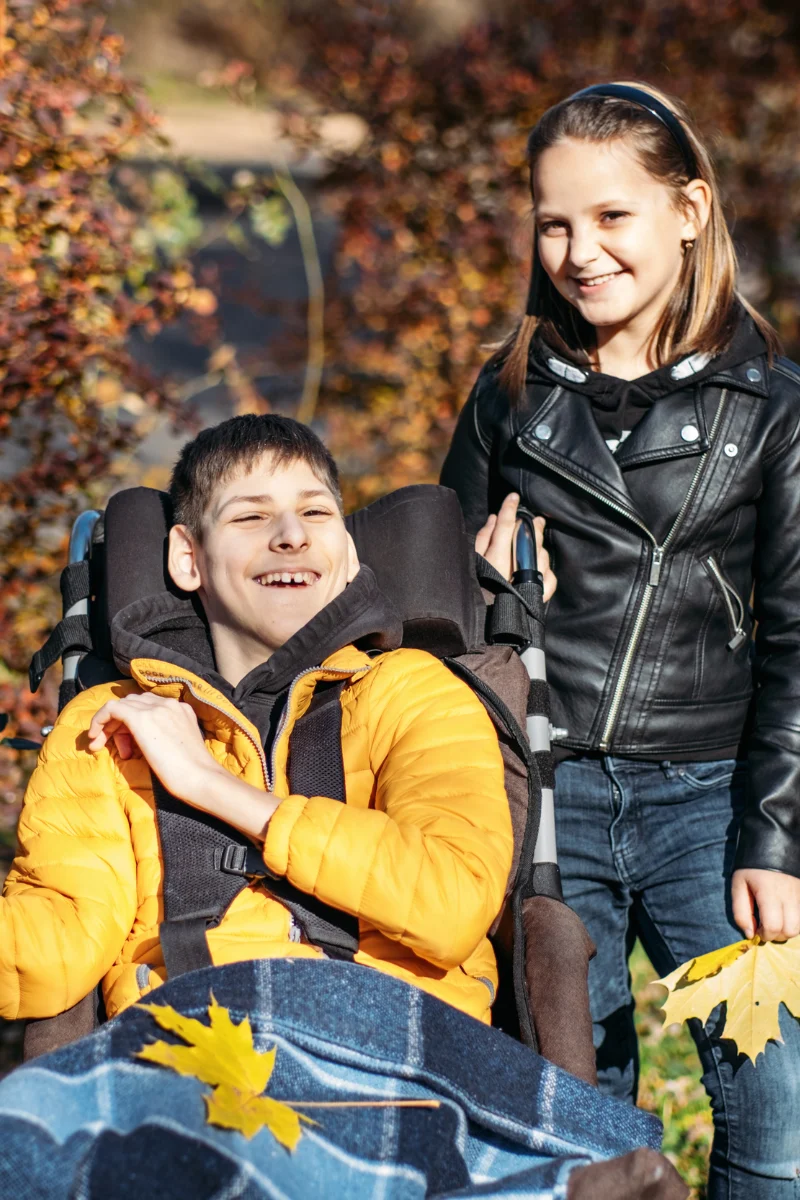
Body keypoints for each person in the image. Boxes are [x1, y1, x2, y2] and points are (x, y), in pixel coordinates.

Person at [0, 414, 678, 1200]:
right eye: (252, 516)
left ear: (347, 554)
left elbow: (452, 898)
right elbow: (51, 948)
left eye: (315, 513)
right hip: (189, 1050)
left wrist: (214, 789)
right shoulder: (107, 724)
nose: (291, 535)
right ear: (188, 557)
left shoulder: (417, 694)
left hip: (402, 1045)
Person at [441, 82, 800, 1199]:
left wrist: (773, 838)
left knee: (776, 1118)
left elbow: (795, 635)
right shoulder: (508, 399)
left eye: (610, 218)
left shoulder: (770, 406)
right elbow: (435, 616)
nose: (578, 252)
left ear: (687, 210)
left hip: (711, 798)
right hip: (547, 799)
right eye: (553, 222)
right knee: (583, 1126)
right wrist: (482, 583)